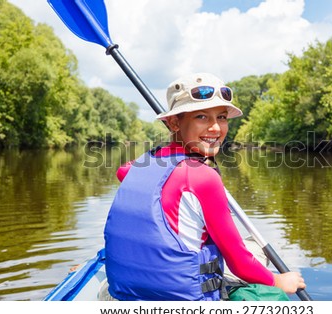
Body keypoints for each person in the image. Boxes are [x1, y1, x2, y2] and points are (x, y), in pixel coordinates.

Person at [103, 72, 306, 301]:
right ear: (173, 122)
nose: (216, 128)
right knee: (255, 257)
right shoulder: (203, 178)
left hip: (125, 295)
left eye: (221, 117)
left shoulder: (138, 166)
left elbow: (123, 170)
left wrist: (181, 149)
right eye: (201, 116)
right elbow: (239, 263)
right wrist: (279, 281)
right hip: (185, 303)